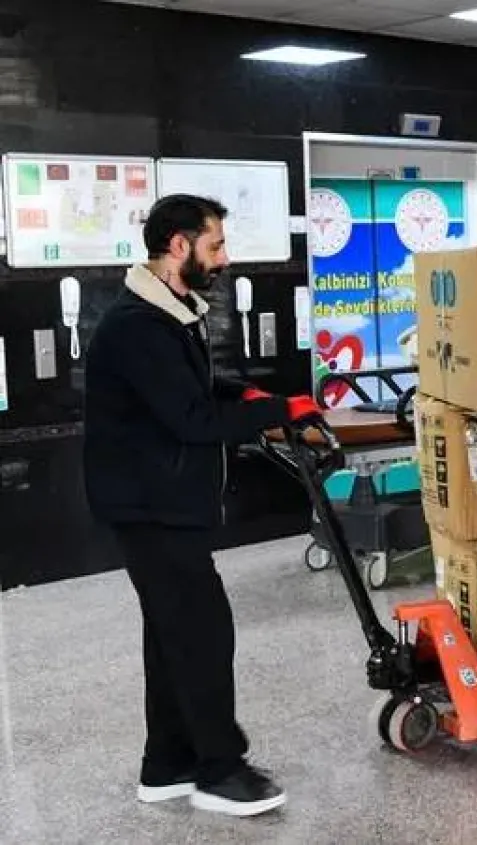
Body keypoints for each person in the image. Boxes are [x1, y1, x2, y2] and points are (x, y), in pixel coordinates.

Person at [83, 194, 321, 818]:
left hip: (160, 503)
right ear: (178, 247)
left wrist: (246, 391)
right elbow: (189, 419)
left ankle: (166, 766)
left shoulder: (168, 313)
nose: (224, 258)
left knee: (172, 638)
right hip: (150, 506)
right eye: (215, 245)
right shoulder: (138, 325)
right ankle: (219, 769)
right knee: (203, 635)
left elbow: (190, 388)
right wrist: (276, 413)